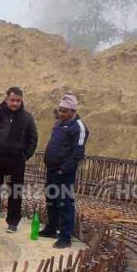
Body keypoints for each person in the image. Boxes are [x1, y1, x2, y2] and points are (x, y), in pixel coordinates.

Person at [0, 86, 38, 233]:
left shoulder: (27, 118)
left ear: (21, 101)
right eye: (12, 100)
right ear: (6, 99)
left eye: (18, 101)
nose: (15, 103)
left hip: (16, 161)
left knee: (15, 191)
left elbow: (33, 138)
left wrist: (25, 155)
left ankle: (12, 222)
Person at [39, 93, 88, 249]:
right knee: (51, 200)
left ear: (73, 112)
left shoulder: (79, 127)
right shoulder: (59, 123)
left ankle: (65, 236)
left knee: (65, 203)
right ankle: (51, 228)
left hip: (65, 173)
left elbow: (78, 152)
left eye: (65, 111)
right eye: (60, 110)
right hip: (52, 169)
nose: (61, 114)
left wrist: (64, 169)